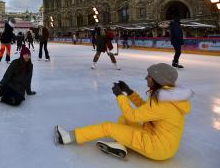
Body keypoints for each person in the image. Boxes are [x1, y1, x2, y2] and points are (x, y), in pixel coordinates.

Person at [55, 63, 193, 161]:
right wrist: (130, 92)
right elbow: (146, 109)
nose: (146, 78)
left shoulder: (162, 103)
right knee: (123, 119)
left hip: (157, 147)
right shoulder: (168, 97)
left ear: (158, 80)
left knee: (108, 127)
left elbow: (133, 116)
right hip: (160, 141)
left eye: (149, 76)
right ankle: (121, 145)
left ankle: (68, 137)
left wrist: (120, 96)